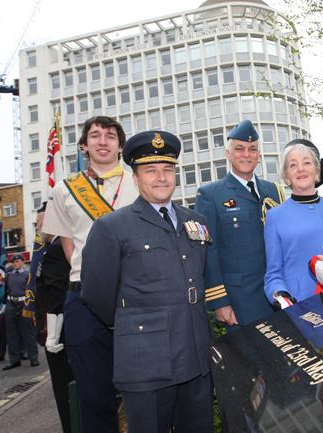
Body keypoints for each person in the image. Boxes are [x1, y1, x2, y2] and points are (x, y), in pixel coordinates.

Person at [81, 130, 213, 433]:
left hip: (195, 356)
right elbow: (98, 295)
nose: (161, 177)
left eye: (167, 169)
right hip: (146, 361)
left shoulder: (197, 222)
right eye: (151, 170)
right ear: (135, 177)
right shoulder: (112, 227)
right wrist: (135, 326)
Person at [42, 116, 138, 433]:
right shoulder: (65, 190)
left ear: (120, 145)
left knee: (143, 387)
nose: (102, 141)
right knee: (93, 394)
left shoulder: (139, 182)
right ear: (84, 145)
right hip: (83, 299)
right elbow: (67, 242)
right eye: (94, 135)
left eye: (110, 136)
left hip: (135, 295)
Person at [195, 119, 285, 328]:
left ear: (259, 155)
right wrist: (219, 302)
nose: (246, 154)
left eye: (252, 149)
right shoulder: (210, 195)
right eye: (239, 149)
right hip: (240, 299)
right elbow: (208, 251)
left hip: (279, 292)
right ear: (228, 154)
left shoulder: (274, 191)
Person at [264, 139, 323, 306]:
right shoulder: (275, 217)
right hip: (302, 302)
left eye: (306, 163)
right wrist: (280, 295)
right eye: (293, 165)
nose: (300, 169)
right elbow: (273, 274)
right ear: (286, 177)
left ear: (317, 171)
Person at [35, 202, 75, 433]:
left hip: (62, 337)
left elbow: (58, 297)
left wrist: (52, 335)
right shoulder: (55, 247)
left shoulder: (59, 250)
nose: (39, 230)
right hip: (63, 331)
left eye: (41, 225)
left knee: (65, 391)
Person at [2, 254, 39, 370]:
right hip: (11, 305)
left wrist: (32, 307)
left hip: (24, 305)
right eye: (14, 262)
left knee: (28, 333)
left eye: (18, 261)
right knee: (12, 334)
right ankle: (14, 360)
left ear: (23, 262)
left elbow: (33, 292)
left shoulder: (28, 275)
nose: (15, 264)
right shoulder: (8, 276)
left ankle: (33, 358)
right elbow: (5, 291)